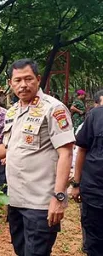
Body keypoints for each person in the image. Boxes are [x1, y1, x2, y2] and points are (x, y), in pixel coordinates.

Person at [0, 59, 75, 256]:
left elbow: (66, 153)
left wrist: (59, 197)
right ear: (10, 83)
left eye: (28, 79)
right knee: (21, 251)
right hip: (16, 200)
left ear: (38, 80)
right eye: (17, 80)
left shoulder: (53, 108)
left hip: (41, 203)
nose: (23, 85)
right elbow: (8, 148)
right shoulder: (12, 111)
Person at [71, 89, 103, 255]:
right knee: (94, 241)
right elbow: (81, 150)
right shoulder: (95, 116)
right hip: (94, 192)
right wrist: (76, 183)